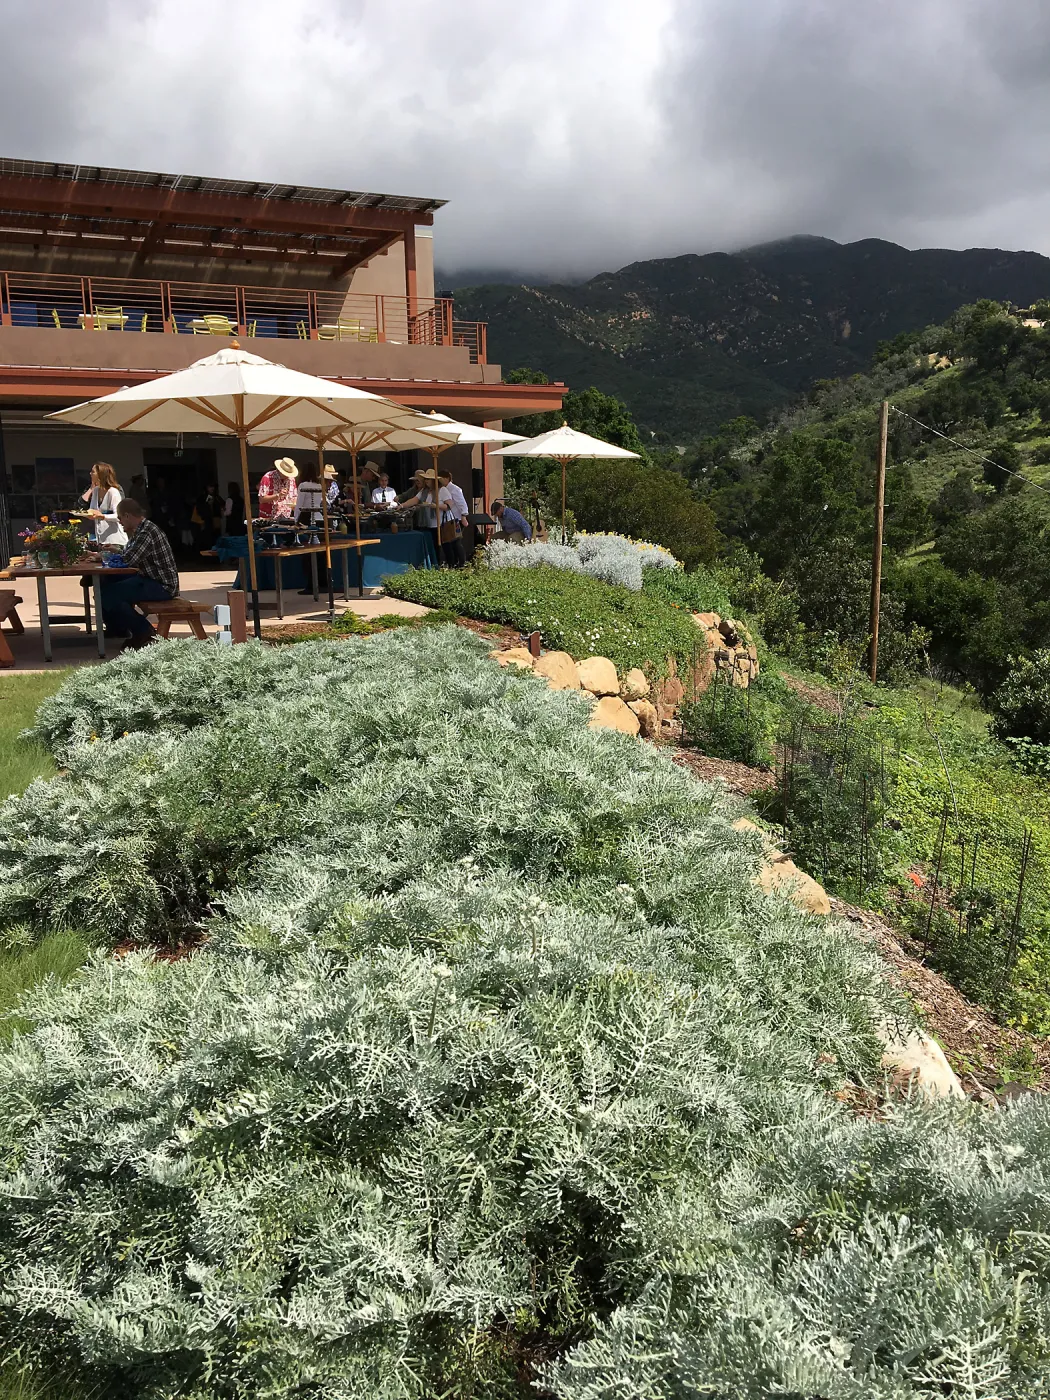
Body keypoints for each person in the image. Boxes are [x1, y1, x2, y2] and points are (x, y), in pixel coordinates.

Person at [86, 499, 179, 651]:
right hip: (150, 578)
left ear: (128, 516)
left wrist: (101, 556)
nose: (120, 522)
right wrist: (113, 551)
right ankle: (120, 628)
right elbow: (130, 553)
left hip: (162, 585)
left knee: (108, 595)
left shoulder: (146, 532)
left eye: (120, 518)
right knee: (106, 583)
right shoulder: (141, 529)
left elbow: (129, 559)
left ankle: (143, 630)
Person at [399, 468, 459, 566]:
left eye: (428, 479)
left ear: (434, 480)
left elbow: (449, 505)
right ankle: (436, 566)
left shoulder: (442, 490)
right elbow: (414, 500)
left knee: (445, 546)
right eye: (425, 479)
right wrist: (401, 506)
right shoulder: (424, 491)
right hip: (428, 524)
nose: (426, 481)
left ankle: (451, 566)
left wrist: (436, 506)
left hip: (441, 524)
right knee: (433, 547)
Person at [80, 462, 127, 549]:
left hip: (115, 541)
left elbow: (119, 516)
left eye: (93, 472)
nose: (90, 474)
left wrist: (102, 516)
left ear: (100, 475)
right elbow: (92, 510)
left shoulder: (113, 492)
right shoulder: (96, 491)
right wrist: (87, 514)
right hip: (101, 540)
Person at [438, 471, 470, 566]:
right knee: (452, 542)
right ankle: (455, 562)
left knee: (456, 541)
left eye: (441, 478)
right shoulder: (446, 489)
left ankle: (462, 562)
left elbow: (462, 503)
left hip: (458, 518)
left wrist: (464, 516)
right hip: (452, 519)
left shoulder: (454, 489)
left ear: (446, 478)